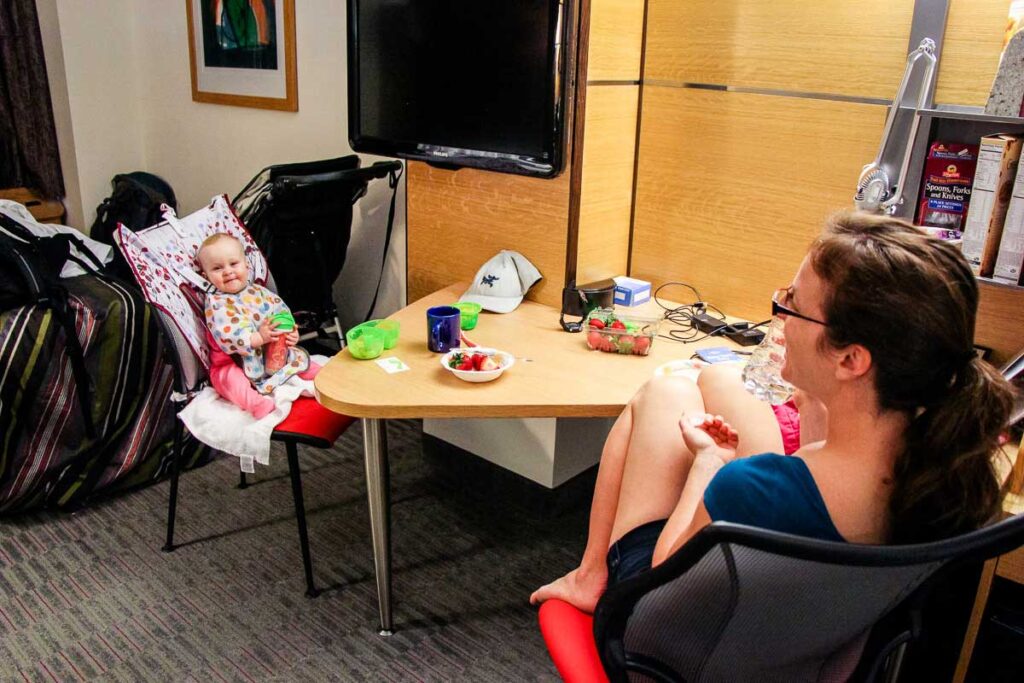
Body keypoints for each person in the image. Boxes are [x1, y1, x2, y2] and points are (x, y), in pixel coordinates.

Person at [530, 211, 1015, 613]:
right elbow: (818, 462)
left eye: (793, 306)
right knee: (674, 392)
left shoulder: (754, 486)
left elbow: (664, 576)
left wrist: (708, 464)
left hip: (658, 631)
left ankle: (591, 577)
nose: (779, 316)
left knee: (661, 394)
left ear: (851, 359)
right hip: (789, 636)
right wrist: (816, 399)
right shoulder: (934, 462)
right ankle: (588, 573)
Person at [196, 233, 320, 419]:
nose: (228, 271)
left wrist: (291, 334)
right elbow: (228, 335)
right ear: (206, 276)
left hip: (270, 353)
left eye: (233, 264)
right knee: (228, 380)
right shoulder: (217, 303)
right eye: (217, 268)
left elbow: (280, 314)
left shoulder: (258, 292)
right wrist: (258, 338)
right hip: (233, 360)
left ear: (246, 264)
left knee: (298, 359)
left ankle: (323, 377)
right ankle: (256, 404)